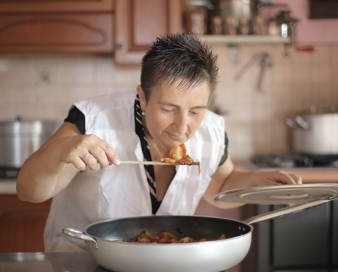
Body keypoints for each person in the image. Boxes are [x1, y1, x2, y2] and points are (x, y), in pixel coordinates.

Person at [17, 33, 301, 251]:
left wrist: (256, 181)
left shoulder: (212, 130)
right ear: (142, 96)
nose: (183, 126)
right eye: (168, 109)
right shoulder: (92, 120)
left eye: (196, 111)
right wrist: (63, 150)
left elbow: (220, 186)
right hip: (84, 262)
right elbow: (29, 190)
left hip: (166, 260)